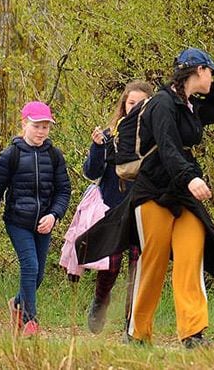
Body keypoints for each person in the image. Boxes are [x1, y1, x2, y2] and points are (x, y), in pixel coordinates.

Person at [75, 47, 214, 348]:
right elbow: (167, 148)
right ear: (198, 70)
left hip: (183, 194)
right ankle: (137, 334)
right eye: (210, 71)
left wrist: (203, 86)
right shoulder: (162, 104)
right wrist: (191, 178)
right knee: (152, 263)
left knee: (190, 258)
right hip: (153, 190)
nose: (213, 76)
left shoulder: (190, 106)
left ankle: (192, 334)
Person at [0, 101, 72, 337]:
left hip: (43, 224)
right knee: (30, 266)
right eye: (36, 126)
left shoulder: (54, 155)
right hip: (18, 221)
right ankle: (30, 321)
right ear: (24, 123)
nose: (41, 132)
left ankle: (17, 303)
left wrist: (54, 215)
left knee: (38, 275)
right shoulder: (10, 155)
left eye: (45, 127)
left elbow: (63, 190)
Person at [82, 81, 153, 335]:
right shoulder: (110, 136)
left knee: (138, 269)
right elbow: (91, 172)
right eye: (130, 103)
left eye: (141, 104)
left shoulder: (155, 139)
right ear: (124, 106)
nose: (134, 108)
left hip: (143, 210)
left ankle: (130, 326)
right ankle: (100, 301)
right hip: (113, 209)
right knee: (110, 267)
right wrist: (97, 147)